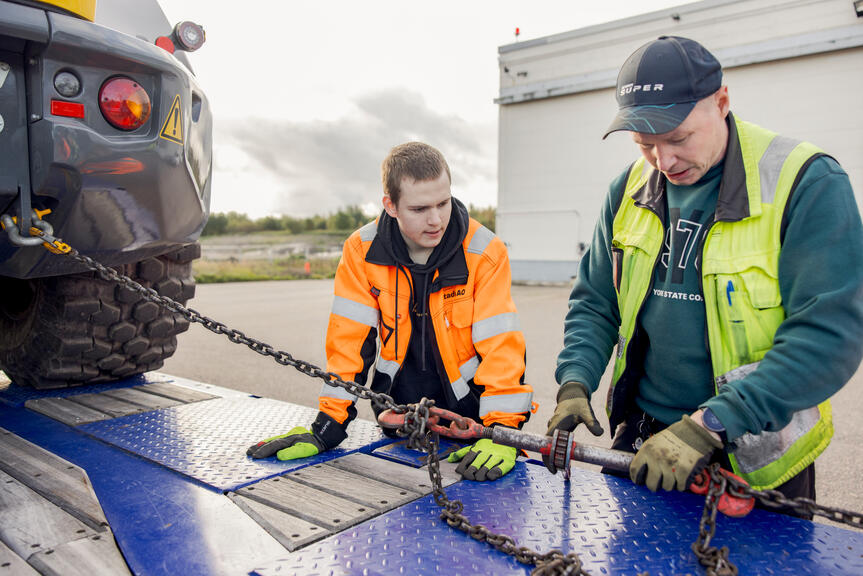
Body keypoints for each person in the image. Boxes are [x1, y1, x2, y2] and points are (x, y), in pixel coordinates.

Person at [544, 36, 863, 514]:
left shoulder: (805, 183)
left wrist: (715, 422)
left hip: (752, 456)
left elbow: (830, 334)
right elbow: (595, 302)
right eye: (645, 144)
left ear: (722, 103)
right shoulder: (628, 189)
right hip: (645, 443)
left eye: (677, 138)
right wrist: (575, 381)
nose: (664, 162)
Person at [248, 141, 534, 481]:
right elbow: (348, 345)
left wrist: (500, 432)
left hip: (470, 421)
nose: (436, 219)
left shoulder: (484, 251)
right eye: (420, 209)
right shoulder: (362, 250)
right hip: (401, 416)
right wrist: (327, 425)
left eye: (444, 203)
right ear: (391, 205)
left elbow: (501, 346)